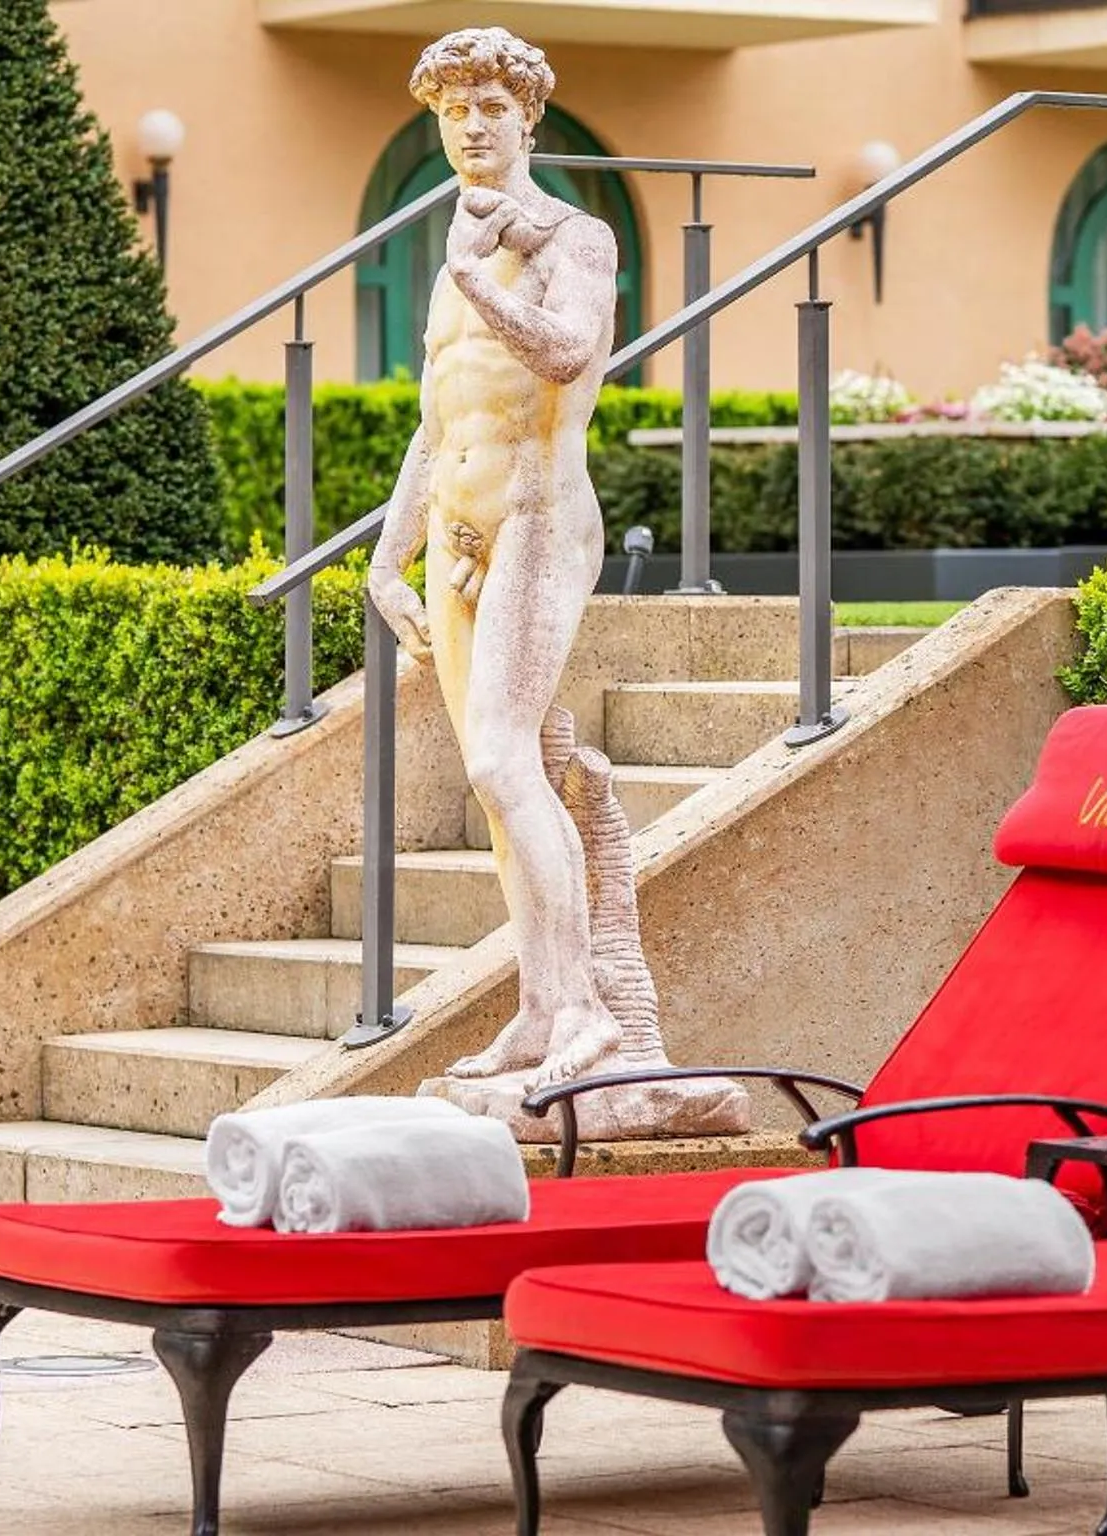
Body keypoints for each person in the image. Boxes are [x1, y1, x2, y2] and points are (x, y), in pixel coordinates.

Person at [363, 31, 624, 1085]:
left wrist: (476, 277)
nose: (472, 127)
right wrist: (389, 559)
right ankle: (540, 1010)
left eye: (492, 109)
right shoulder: (456, 263)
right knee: (499, 791)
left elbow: (567, 351)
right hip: (457, 532)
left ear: (529, 121)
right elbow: (437, 423)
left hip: (537, 517)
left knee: (503, 762)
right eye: (454, 112)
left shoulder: (577, 238)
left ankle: (588, 1012)